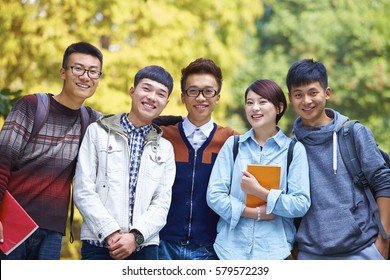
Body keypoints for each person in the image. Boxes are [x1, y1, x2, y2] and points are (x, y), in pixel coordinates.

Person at [0, 42, 103, 260]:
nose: (86, 76)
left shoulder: (92, 120)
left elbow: (133, 123)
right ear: (63, 72)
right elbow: (2, 161)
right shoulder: (31, 106)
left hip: (52, 232)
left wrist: (182, 121)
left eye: (93, 72)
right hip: (11, 224)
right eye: (78, 68)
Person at [286, 58, 390, 260]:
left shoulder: (353, 133)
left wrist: (383, 242)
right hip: (311, 255)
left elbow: (383, 182)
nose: (306, 101)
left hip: (363, 251)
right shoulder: (290, 147)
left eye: (313, 92)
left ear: (327, 93)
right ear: (290, 98)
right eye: (298, 95)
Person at [73, 65, 176, 260]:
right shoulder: (97, 132)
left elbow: (162, 202)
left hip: (144, 249)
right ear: (132, 91)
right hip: (99, 245)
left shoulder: (165, 148)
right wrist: (110, 232)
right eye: (146, 88)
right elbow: (83, 189)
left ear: (166, 103)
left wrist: (135, 237)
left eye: (160, 94)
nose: (152, 97)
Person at [206, 79, 310, 260]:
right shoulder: (234, 145)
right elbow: (214, 195)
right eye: (249, 102)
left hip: (274, 252)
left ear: (279, 107)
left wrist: (261, 192)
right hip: (230, 251)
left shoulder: (293, 150)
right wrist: (254, 213)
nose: (254, 108)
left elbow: (301, 204)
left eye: (262, 102)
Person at [156, 58, 237, 260]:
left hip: (211, 249)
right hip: (162, 245)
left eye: (208, 91)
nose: (201, 97)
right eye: (193, 91)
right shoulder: (162, 137)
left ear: (217, 97)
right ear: (183, 97)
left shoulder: (232, 141)